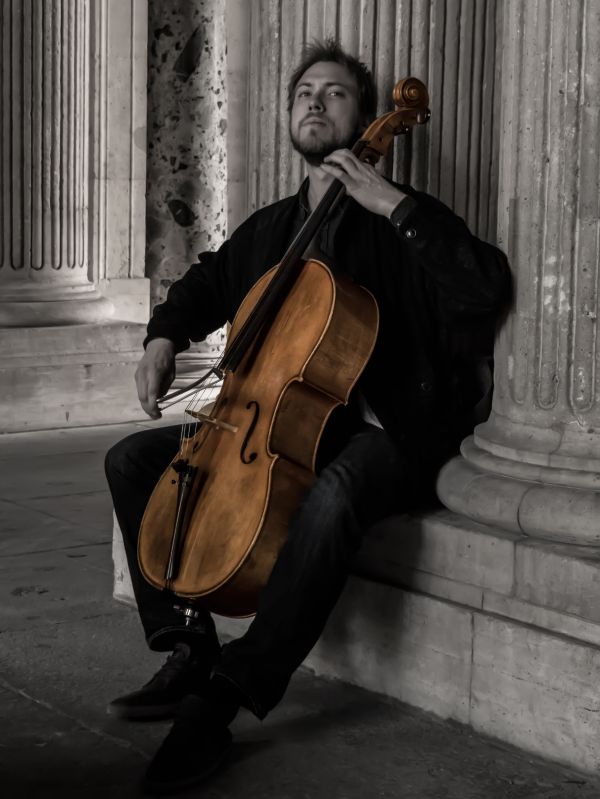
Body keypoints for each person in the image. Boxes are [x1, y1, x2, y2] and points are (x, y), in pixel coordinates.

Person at [105, 40, 511, 794]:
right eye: (304, 94)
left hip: (385, 433)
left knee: (337, 493)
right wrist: (161, 339)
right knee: (131, 460)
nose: (315, 102)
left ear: (365, 121)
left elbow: (481, 284)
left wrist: (392, 203)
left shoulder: (401, 220)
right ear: (290, 118)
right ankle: (185, 642)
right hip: (275, 428)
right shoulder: (271, 228)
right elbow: (204, 284)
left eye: (336, 93)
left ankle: (225, 695)